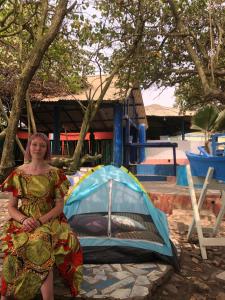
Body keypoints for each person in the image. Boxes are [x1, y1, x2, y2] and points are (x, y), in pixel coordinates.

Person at [0, 133, 83, 300]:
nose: (38, 148)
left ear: (47, 149)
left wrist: (38, 221)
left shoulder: (56, 174)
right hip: (23, 219)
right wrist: (24, 220)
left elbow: (59, 207)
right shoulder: (18, 173)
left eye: (42, 146)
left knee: (40, 241)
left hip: (50, 220)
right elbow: (11, 206)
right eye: (34, 145)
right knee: (15, 247)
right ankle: (6, 295)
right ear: (29, 147)